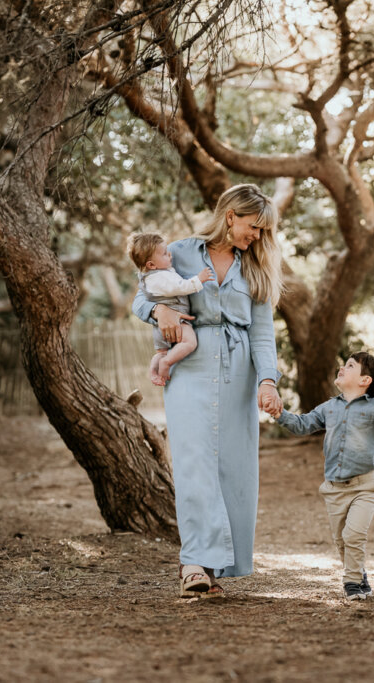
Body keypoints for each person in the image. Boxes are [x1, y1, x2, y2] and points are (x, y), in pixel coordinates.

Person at [132, 183, 285, 599]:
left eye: (263, 230)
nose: (258, 235)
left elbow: (263, 332)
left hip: (238, 371)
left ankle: (213, 567)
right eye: (254, 226)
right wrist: (159, 310)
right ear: (231, 215)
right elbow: (141, 298)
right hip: (190, 366)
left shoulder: (255, 267)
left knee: (234, 468)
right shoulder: (178, 253)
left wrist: (267, 380)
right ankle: (194, 563)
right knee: (194, 462)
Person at [271, 352, 374, 601]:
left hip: (365, 486)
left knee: (354, 535)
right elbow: (303, 425)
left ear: (365, 381)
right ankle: (359, 574)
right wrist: (279, 413)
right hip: (334, 488)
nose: (342, 367)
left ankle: (351, 582)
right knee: (341, 541)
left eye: (350, 365)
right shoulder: (329, 407)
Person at [127, 232, 214, 386]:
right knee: (190, 342)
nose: (170, 255)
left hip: (159, 327)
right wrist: (199, 279)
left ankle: (155, 373)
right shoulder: (160, 277)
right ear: (151, 265)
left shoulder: (152, 276)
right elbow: (181, 287)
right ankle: (167, 362)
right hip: (175, 320)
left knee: (161, 352)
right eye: (164, 254)